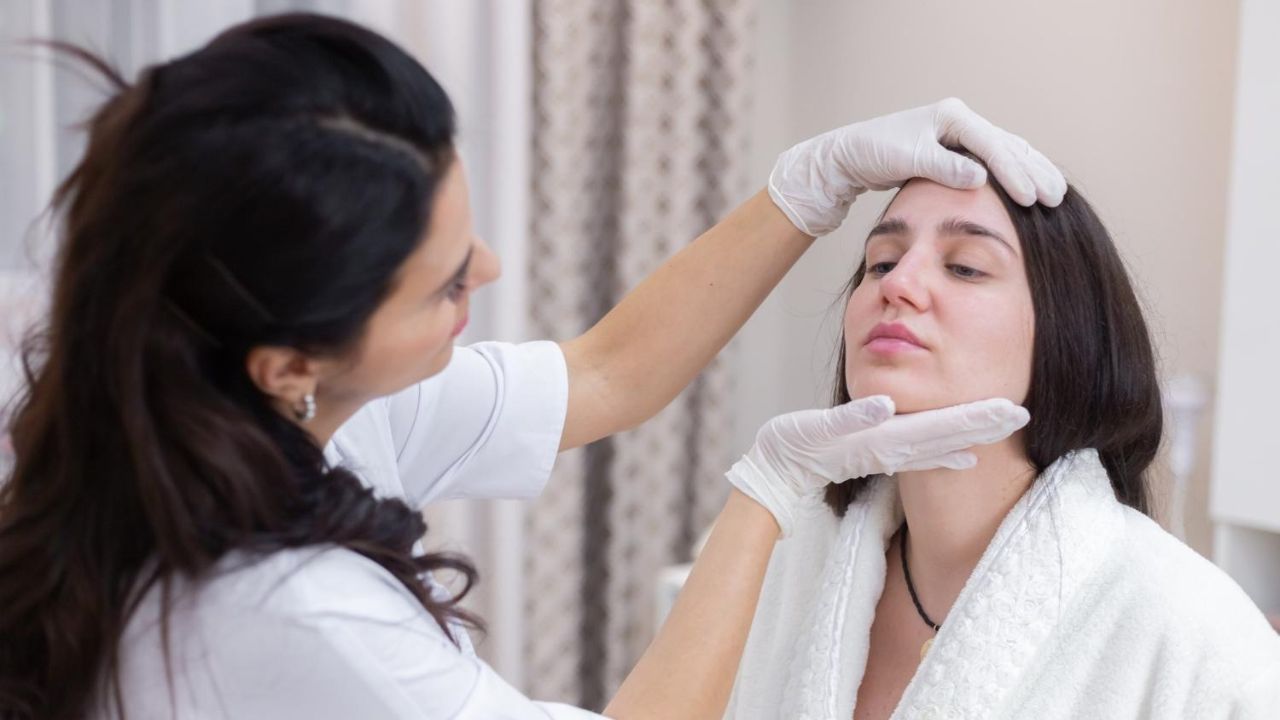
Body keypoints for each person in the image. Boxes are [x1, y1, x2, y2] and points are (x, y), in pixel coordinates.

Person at [0, 14, 1063, 720]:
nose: (492, 272)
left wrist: (808, 187)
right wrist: (768, 488)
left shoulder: (215, 391)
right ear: (288, 361)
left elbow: (606, 374)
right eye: (446, 284)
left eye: (965, 265)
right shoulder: (289, 615)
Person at [723, 163, 1280, 719]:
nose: (896, 284)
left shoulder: (1196, 635)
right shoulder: (790, 557)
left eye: (965, 268)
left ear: (1068, 334)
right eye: (881, 263)